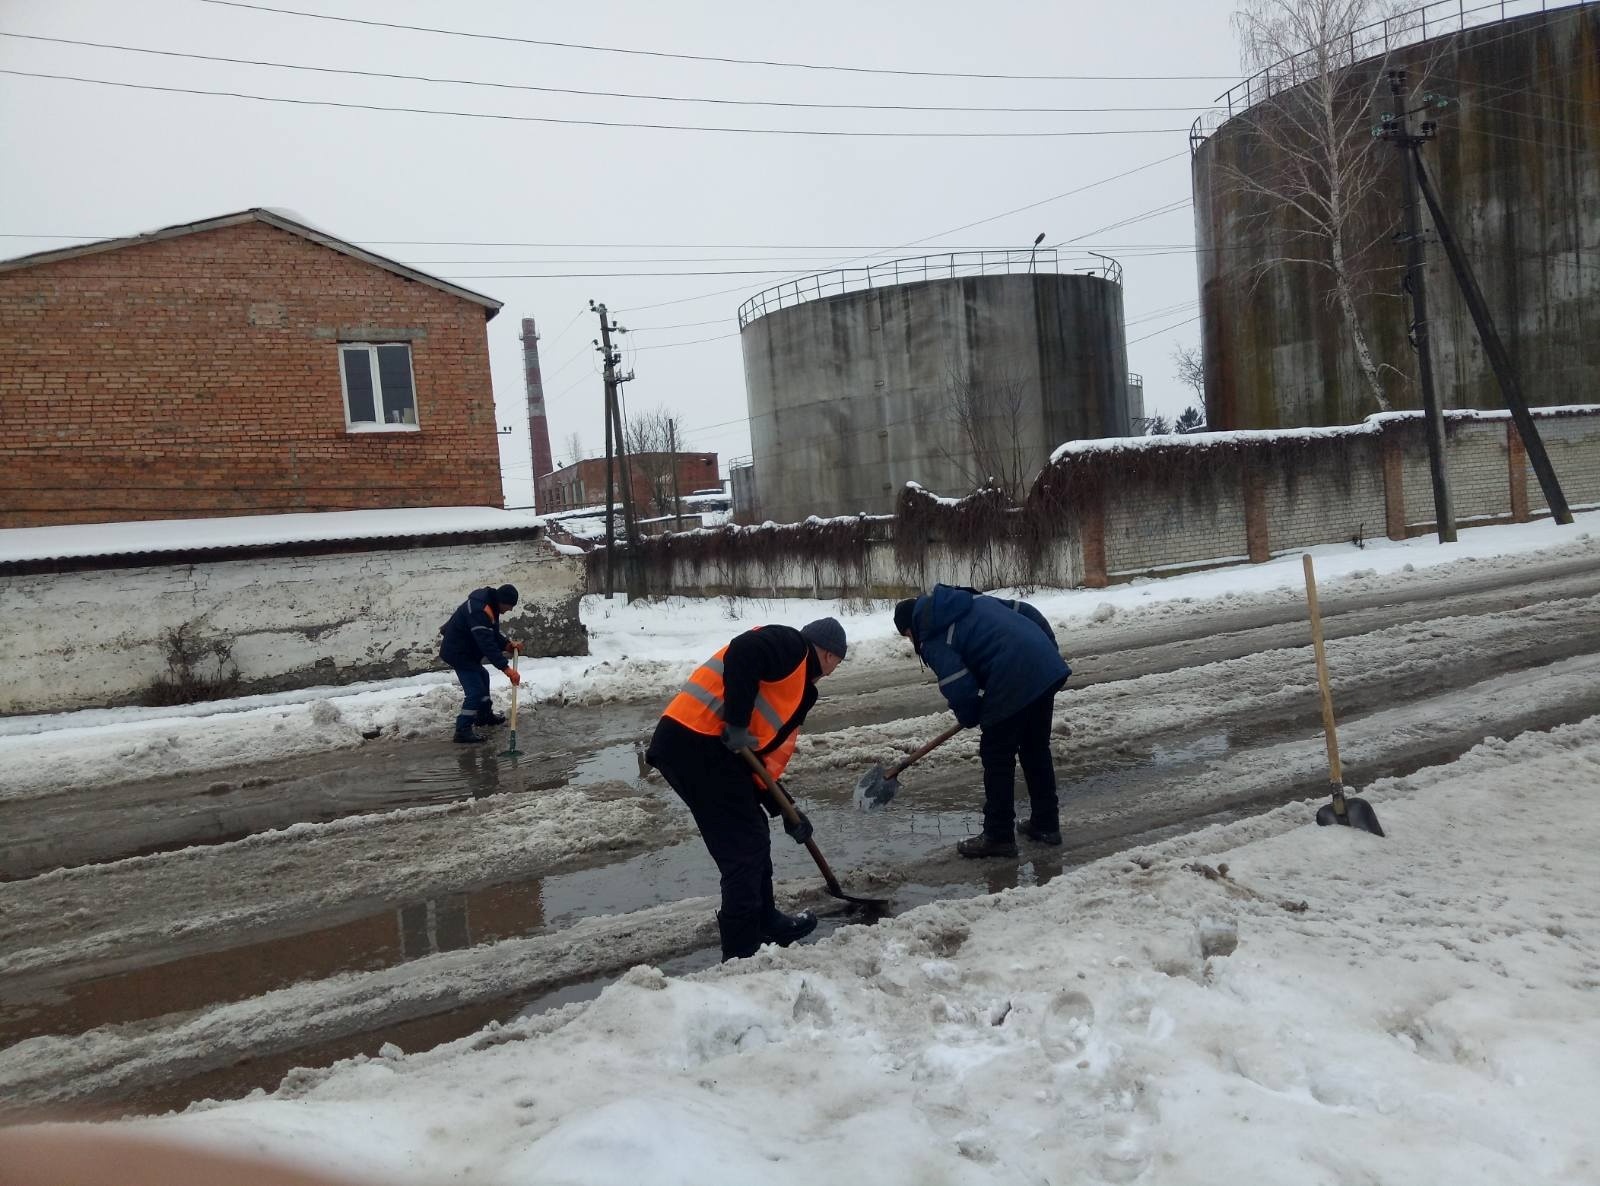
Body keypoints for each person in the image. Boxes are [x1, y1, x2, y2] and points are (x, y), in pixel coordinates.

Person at [646, 617, 848, 961]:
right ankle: (740, 952)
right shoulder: (791, 646)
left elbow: (757, 756)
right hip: (695, 742)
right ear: (829, 655)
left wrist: (785, 807)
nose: (833, 670)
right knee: (742, 849)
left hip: (709, 749)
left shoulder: (799, 687)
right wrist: (736, 722)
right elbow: (744, 650)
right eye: (838, 662)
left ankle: (765, 919)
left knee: (752, 832)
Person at [894, 585, 1070, 858]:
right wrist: (1047, 652)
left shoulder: (930, 634)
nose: (911, 642)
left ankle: (998, 836)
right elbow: (1027, 612)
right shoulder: (969, 599)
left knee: (997, 755)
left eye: (907, 636)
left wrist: (971, 713)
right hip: (1043, 667)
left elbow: (957, 683)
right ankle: (1046, 825)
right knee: (1035, 749)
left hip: (1012, 675)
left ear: (911, 627)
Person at [439, 583, 522, 744]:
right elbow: (486, 643)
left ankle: (484, 716)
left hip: (466, 651)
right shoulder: (479, 610)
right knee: (475, 691)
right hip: (458, 653)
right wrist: (506, 669)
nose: (510, 610)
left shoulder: (490, 606)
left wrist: (507, 645)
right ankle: (462, 730)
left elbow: (491, 633)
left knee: (483, 676)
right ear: (502, 601)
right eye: (510, 606)